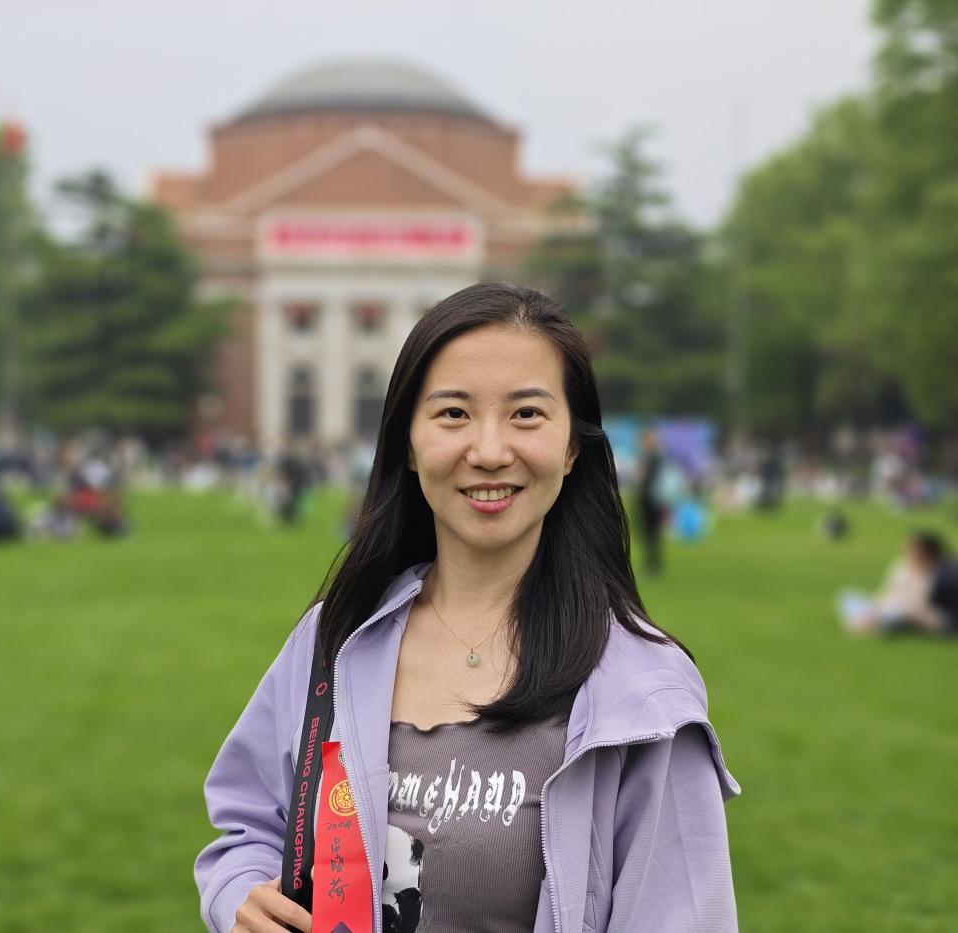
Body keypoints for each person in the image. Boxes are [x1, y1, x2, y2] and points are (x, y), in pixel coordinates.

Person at [195, 283, 739, 933]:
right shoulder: (336, 639)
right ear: (407, 442)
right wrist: (240, 891)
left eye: (526, 414)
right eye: (453, 413)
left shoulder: (643, 691)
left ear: (572, 446)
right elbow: (250, 824)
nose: (488, 451)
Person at [839, 531, 956, 636]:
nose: (908, 552)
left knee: (901, 615)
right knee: (847, 595)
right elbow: (888, 591)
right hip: (890, 606)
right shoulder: (901, 566)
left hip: (913, 612)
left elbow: (921, 603)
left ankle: (873, 624)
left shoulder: (939, 574)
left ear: (927, 553)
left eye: (913, 549)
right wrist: (875, 608)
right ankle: (868, 622)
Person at [633, 428, 667, 575]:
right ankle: (651, 565)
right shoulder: (650, 457)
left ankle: (652, 566)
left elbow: (646, 478)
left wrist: (641, 473)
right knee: (649, 535)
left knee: (651, 535)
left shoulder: (653, 458)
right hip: (648, 500)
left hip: (652, 501)